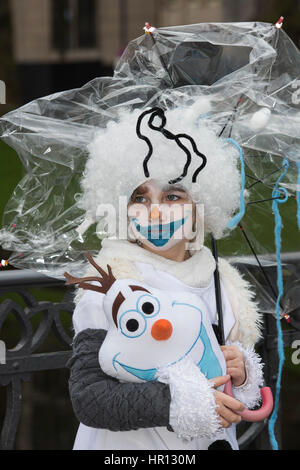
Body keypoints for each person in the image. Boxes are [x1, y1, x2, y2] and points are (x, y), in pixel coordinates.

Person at [66, 107, 265, 450]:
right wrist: (180, 401)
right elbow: (90, 397)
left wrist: (241, 372)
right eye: (139, 198)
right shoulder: (111, 282)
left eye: (173, 196)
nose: (155, 212)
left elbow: (236, 383)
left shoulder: (223, 281)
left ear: (200, 205)